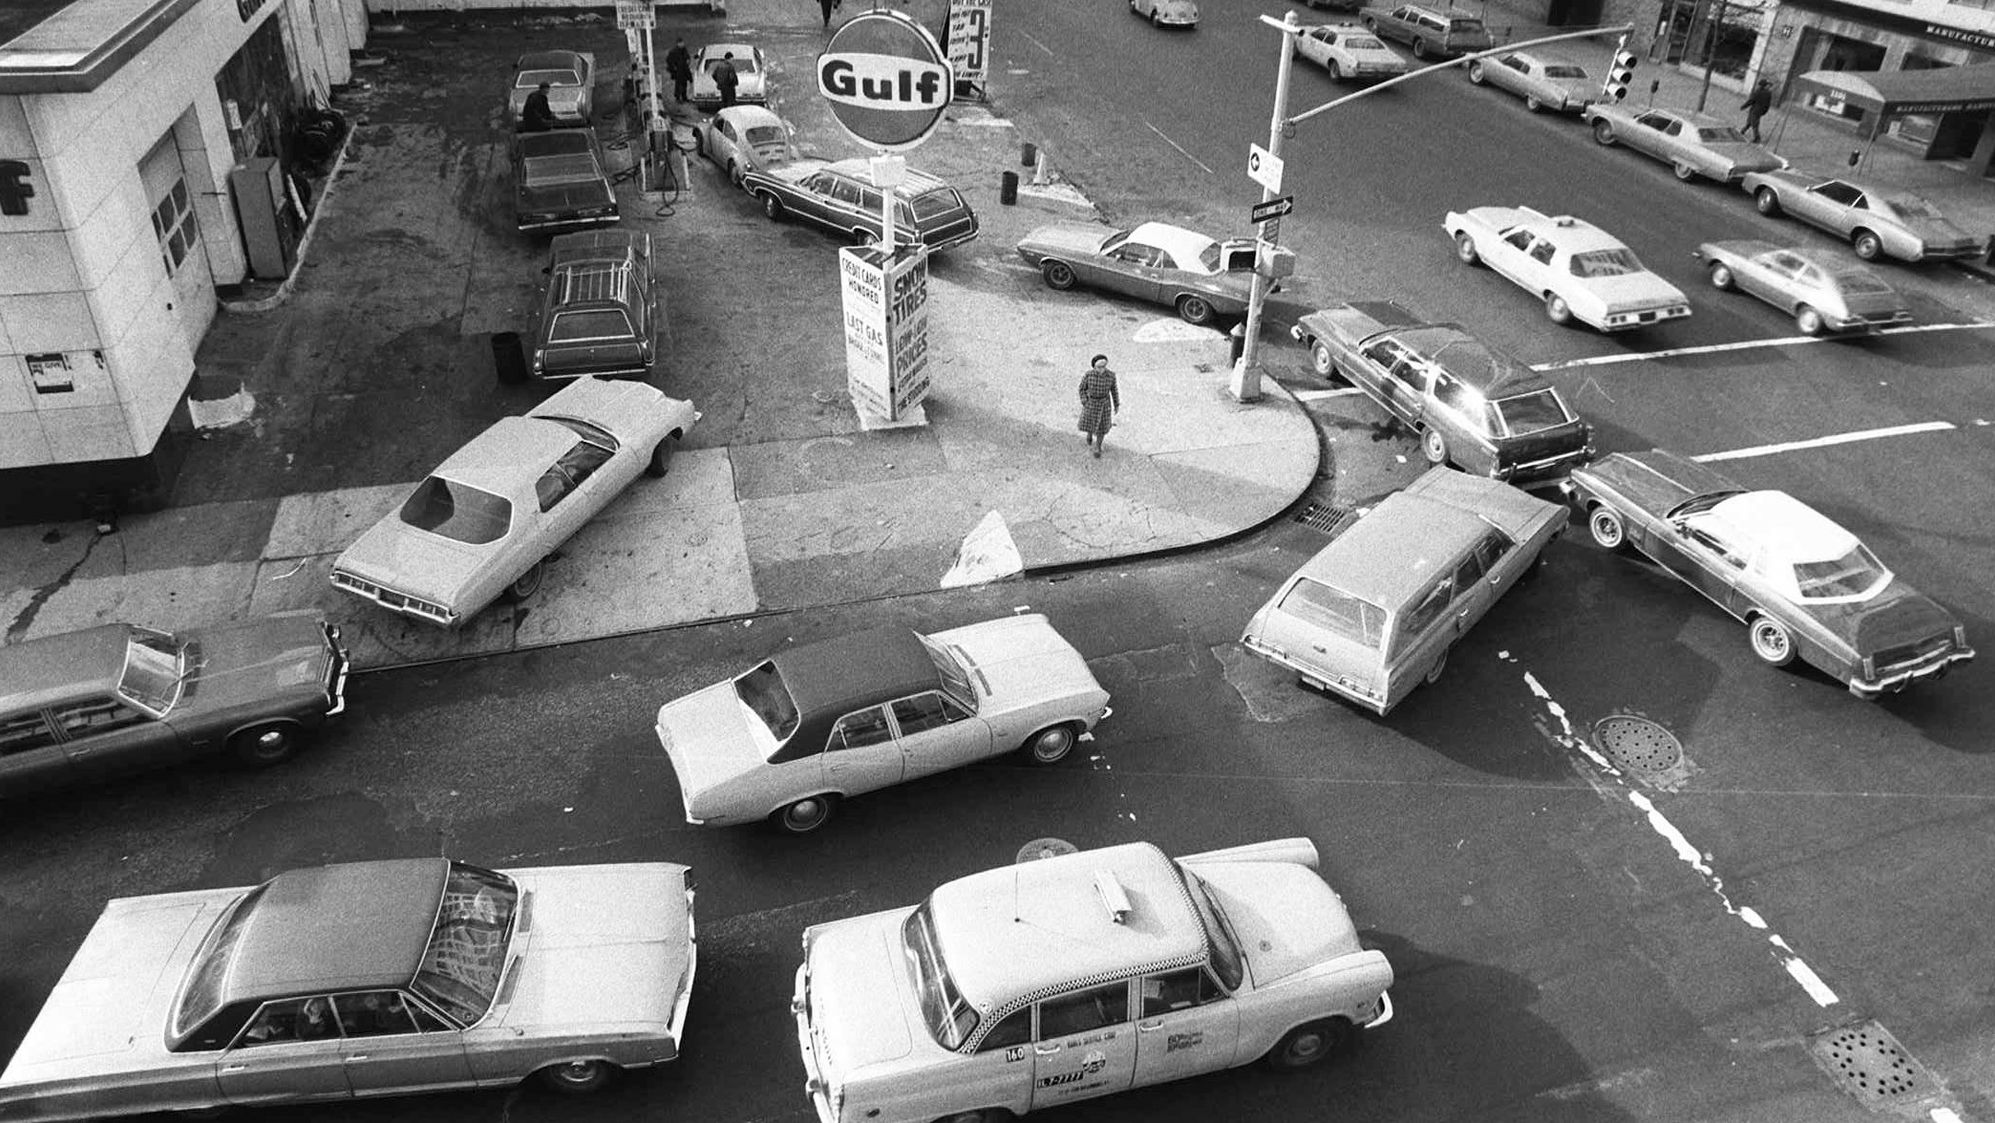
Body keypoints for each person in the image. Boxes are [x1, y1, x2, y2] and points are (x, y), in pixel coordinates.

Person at [1077, 354, 1120, 459]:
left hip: (1104, 404)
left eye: (1104, 366)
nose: (1102, 370)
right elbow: (1082, 389)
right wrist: (1084, 400)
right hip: (1091, 403)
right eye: (1099, 367)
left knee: (1102, 427)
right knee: (1090, 423)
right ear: (1094, 367)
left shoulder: (1111, 376)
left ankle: (1098, 446)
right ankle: (1089, 434)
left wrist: (1116, 404)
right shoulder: (1088, 375)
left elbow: (1114, 391)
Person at [1741, 79, 1773, 143]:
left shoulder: (1758, 92)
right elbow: (1768, 104)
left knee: (1754, 123)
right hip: (1760, 111)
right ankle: (1743, 130)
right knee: (1751, 120)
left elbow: (1751, 101)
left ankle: (1757, 138)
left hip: (1755, 110)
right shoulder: (1768, 93)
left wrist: (1743, 106)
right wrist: (1764, 111)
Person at [664, 38, 692, 105]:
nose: (682, 44)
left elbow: (687, 57)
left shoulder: (684, 50)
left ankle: (684, 97)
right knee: (678, 85)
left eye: (683, 43)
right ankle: (677, 98)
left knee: (684, 84)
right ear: (678, 43)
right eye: (681, 43)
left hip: (684, 69)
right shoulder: (673, 51)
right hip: (678, 71)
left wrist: (688, 60)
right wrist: (673, 68)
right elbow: (669, 60)